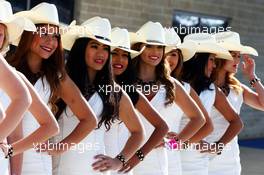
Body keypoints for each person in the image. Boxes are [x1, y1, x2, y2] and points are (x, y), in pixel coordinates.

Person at [7, 3, 97, 175]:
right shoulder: (9, 68)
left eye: (55, 36)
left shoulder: (57, 77)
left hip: (36, 162)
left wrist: (59, 148)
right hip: (5, 155)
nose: (51, 42)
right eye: (44, 34)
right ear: (29, 34)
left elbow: (89, 119)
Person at [53, 16, 144, 175]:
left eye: (105, 48)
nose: (101, 53)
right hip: (59, 168)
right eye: (95, 46)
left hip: (96, 170)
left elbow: (138, 132)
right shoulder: (60, 82)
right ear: (81, 48)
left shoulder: (114, 91)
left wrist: (118, 161)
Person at [180, 33, 244, 175]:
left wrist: (217, 146)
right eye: (211, 60)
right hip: (171, 159)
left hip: (196, 162)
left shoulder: (211, 89)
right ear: (198, 60)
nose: (214, 65)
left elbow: (235, 122)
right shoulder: (176, 85)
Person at [207, 31, 264, 175]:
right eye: (233, 55)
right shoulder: (201, 86)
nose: (237, 60)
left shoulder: (236, 87)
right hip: (204, 155)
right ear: (220, 56)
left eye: (239, 56)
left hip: (230, 160)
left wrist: (252, 76)